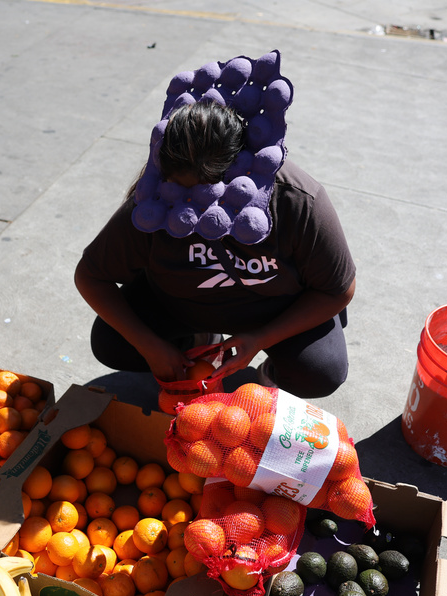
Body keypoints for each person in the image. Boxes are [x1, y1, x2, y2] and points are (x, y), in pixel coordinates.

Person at [74, 51, 356, 398]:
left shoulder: (296, 199)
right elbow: (90, 275)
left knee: (320, 372)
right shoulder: (155, 200)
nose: (190, 205)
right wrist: (150, 346)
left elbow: (338, 289)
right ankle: (197, 339)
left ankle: (273, 368)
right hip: (177, 306)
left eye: (206, 193)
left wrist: (262, 339)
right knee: (113, 343)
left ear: (240, 172)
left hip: (272, 313)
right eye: (180, 191)